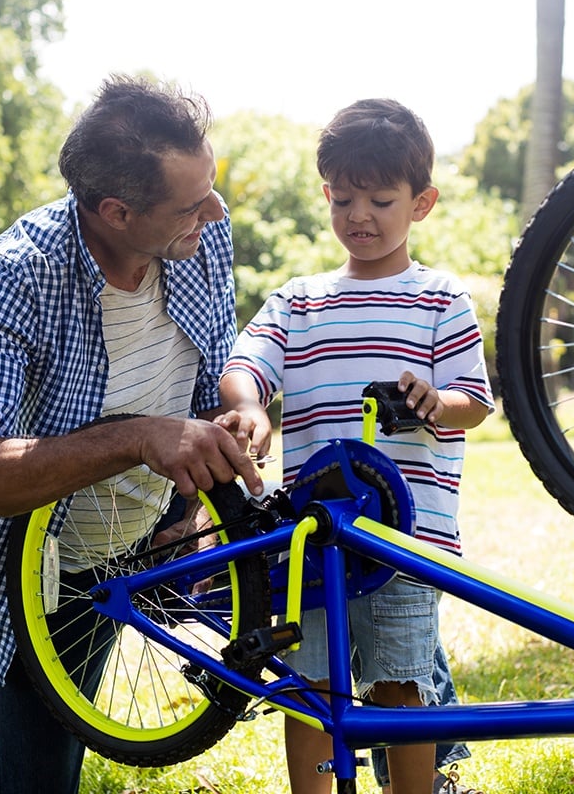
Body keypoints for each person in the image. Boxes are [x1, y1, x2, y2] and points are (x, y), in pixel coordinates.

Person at [0, 74, 262, 794]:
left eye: (210, 189)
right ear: (115, 211)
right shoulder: (19, 273)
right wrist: (138, 437)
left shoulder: (202, 229)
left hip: (152, 542)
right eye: (188, 204)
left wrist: (210, 464)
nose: (213, 210)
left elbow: (206, 375)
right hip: (50, 574)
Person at [216, 98, 493, 794]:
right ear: (325, 195)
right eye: (343, 199)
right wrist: (248, 405)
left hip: (408, 540)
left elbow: (476, 402)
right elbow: (247, 363)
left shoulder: (439, 298)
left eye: (380, 199)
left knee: (401, 682)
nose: (359, 216)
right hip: (312, 542)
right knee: (309, 683)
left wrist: (437, 402)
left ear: (421, 203)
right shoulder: (299, 301)